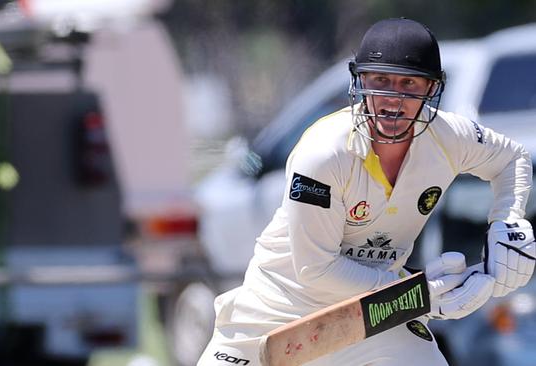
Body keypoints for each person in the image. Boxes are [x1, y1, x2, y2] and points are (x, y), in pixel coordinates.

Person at [197, 17, 534, 366]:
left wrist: (505, 224)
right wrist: (415, 294)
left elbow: (512, 159)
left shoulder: (449, 137)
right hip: (276, 312)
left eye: (409, 83)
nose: (393, 99)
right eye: (382, 81)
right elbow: (316, 270)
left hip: (375, 317)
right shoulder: (325, 153)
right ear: (361, 81)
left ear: (431, 89)